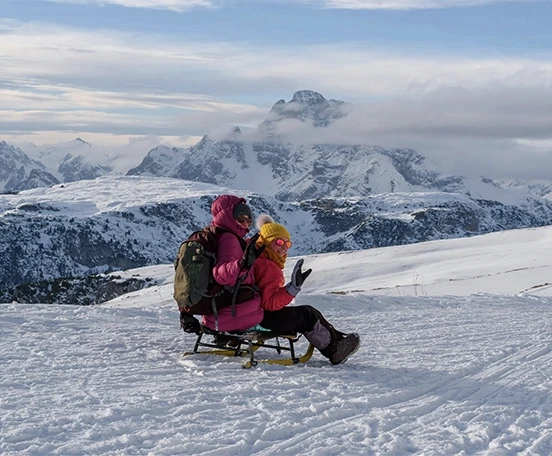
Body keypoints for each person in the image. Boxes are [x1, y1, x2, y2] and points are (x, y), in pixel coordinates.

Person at [252, 214, 360, 365]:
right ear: (265, 242)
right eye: (278, 241)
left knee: (307, 312)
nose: (284, 246)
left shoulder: (256, 258)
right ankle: (334, 350)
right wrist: (292, 288)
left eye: (287, 243)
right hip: (261, 319)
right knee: (307, 315)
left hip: (251, 314)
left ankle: (337, 340)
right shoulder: (268, 266)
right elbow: (269, 303)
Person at [198, 194, 265, 332]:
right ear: (228, 216)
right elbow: (220, 275)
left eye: (248, 220)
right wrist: (243, 264)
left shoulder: (216, 234)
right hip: (228, 314)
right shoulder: (229, 239)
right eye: (241, 219)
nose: (246, 224)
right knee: (265, 301)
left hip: (215, 311)